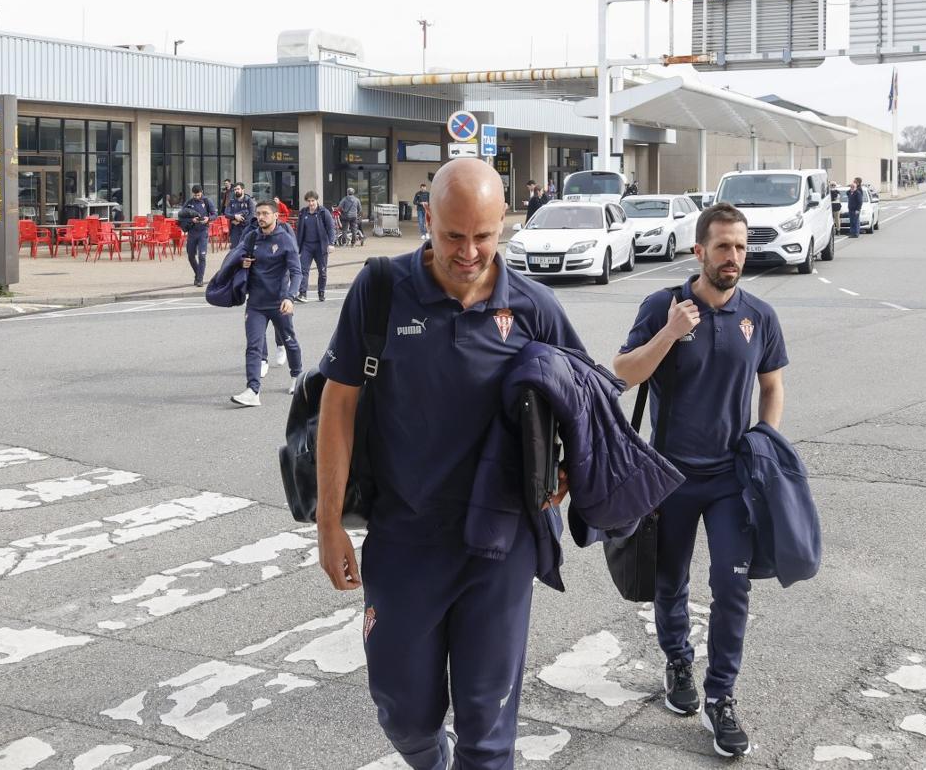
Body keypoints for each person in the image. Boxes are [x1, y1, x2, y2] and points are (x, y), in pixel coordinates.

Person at [315, 158, 585, 770]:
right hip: (404, 539)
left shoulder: (536, 309)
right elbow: (338, 404)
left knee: (488, 731)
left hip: (500, 546)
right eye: (453, 235)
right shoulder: (381, 290)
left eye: (484, 236)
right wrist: (328, 523)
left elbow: (583, 399)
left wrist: (570, 468)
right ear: (427, 219)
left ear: (504, 225)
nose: (468, 252)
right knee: (402, 712)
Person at [612, 203, 787, 759]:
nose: (733, 257)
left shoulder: (759, 315)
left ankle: (722, 697)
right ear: (699, 252)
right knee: (670, 582)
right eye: (723, 248)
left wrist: (765, 440)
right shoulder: (661, 306)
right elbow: (623, 371)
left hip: (732, 478)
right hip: (670, 477)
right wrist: (668, 332)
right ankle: (678, 662)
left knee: (732, 587)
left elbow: (772, 386)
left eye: (739, 248)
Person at [226, 200, 303, 407]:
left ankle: (297, 376)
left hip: (279, 302)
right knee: (253, 346)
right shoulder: (251, 237)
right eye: (258, 213)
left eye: (265, 213)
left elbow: (297, 272)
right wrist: (243, 263)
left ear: (276, 216)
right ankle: (253, 390)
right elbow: (235, 257)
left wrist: (290, 297)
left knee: (289, 341)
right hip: (256, 303)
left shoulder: (286, 240)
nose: (261, 217)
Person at [295, 190, 336, 303]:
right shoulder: (303, 212)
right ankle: (302, 293)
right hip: (306, 246)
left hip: (320, 246)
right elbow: (299, 231)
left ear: (317, 200)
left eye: (313, 200)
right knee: (303, 270)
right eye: (309, 201)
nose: (311, 203)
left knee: (322, 271)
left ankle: (321, 292)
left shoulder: (324, 212)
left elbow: (331, 228)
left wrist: (331, 243)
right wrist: (297, 246)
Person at [177, 184, 217, 286]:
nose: (196, 197)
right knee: (191, 256)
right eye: (195, 195)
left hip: (203, 231)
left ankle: (200, 279)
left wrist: (208, 219)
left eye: (198, 195)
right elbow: (181, 216)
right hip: (192, 232)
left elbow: (215, 214)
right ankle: (197, 275)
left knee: (202, 256)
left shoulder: (207, 201)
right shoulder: (189, 202)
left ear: (201, 192)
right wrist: (192, 220)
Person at [225, 182, 256, 248]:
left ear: (243, 190)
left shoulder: (249, 200)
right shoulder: (231, 201)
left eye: (238, 189)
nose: (236, 191)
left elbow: (252, 215)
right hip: (234, 229)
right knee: (234, 249)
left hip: (246, 229)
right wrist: (235, 216)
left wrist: (240, 221)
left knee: (245, 249)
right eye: (235, 189)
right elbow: (226, 214)